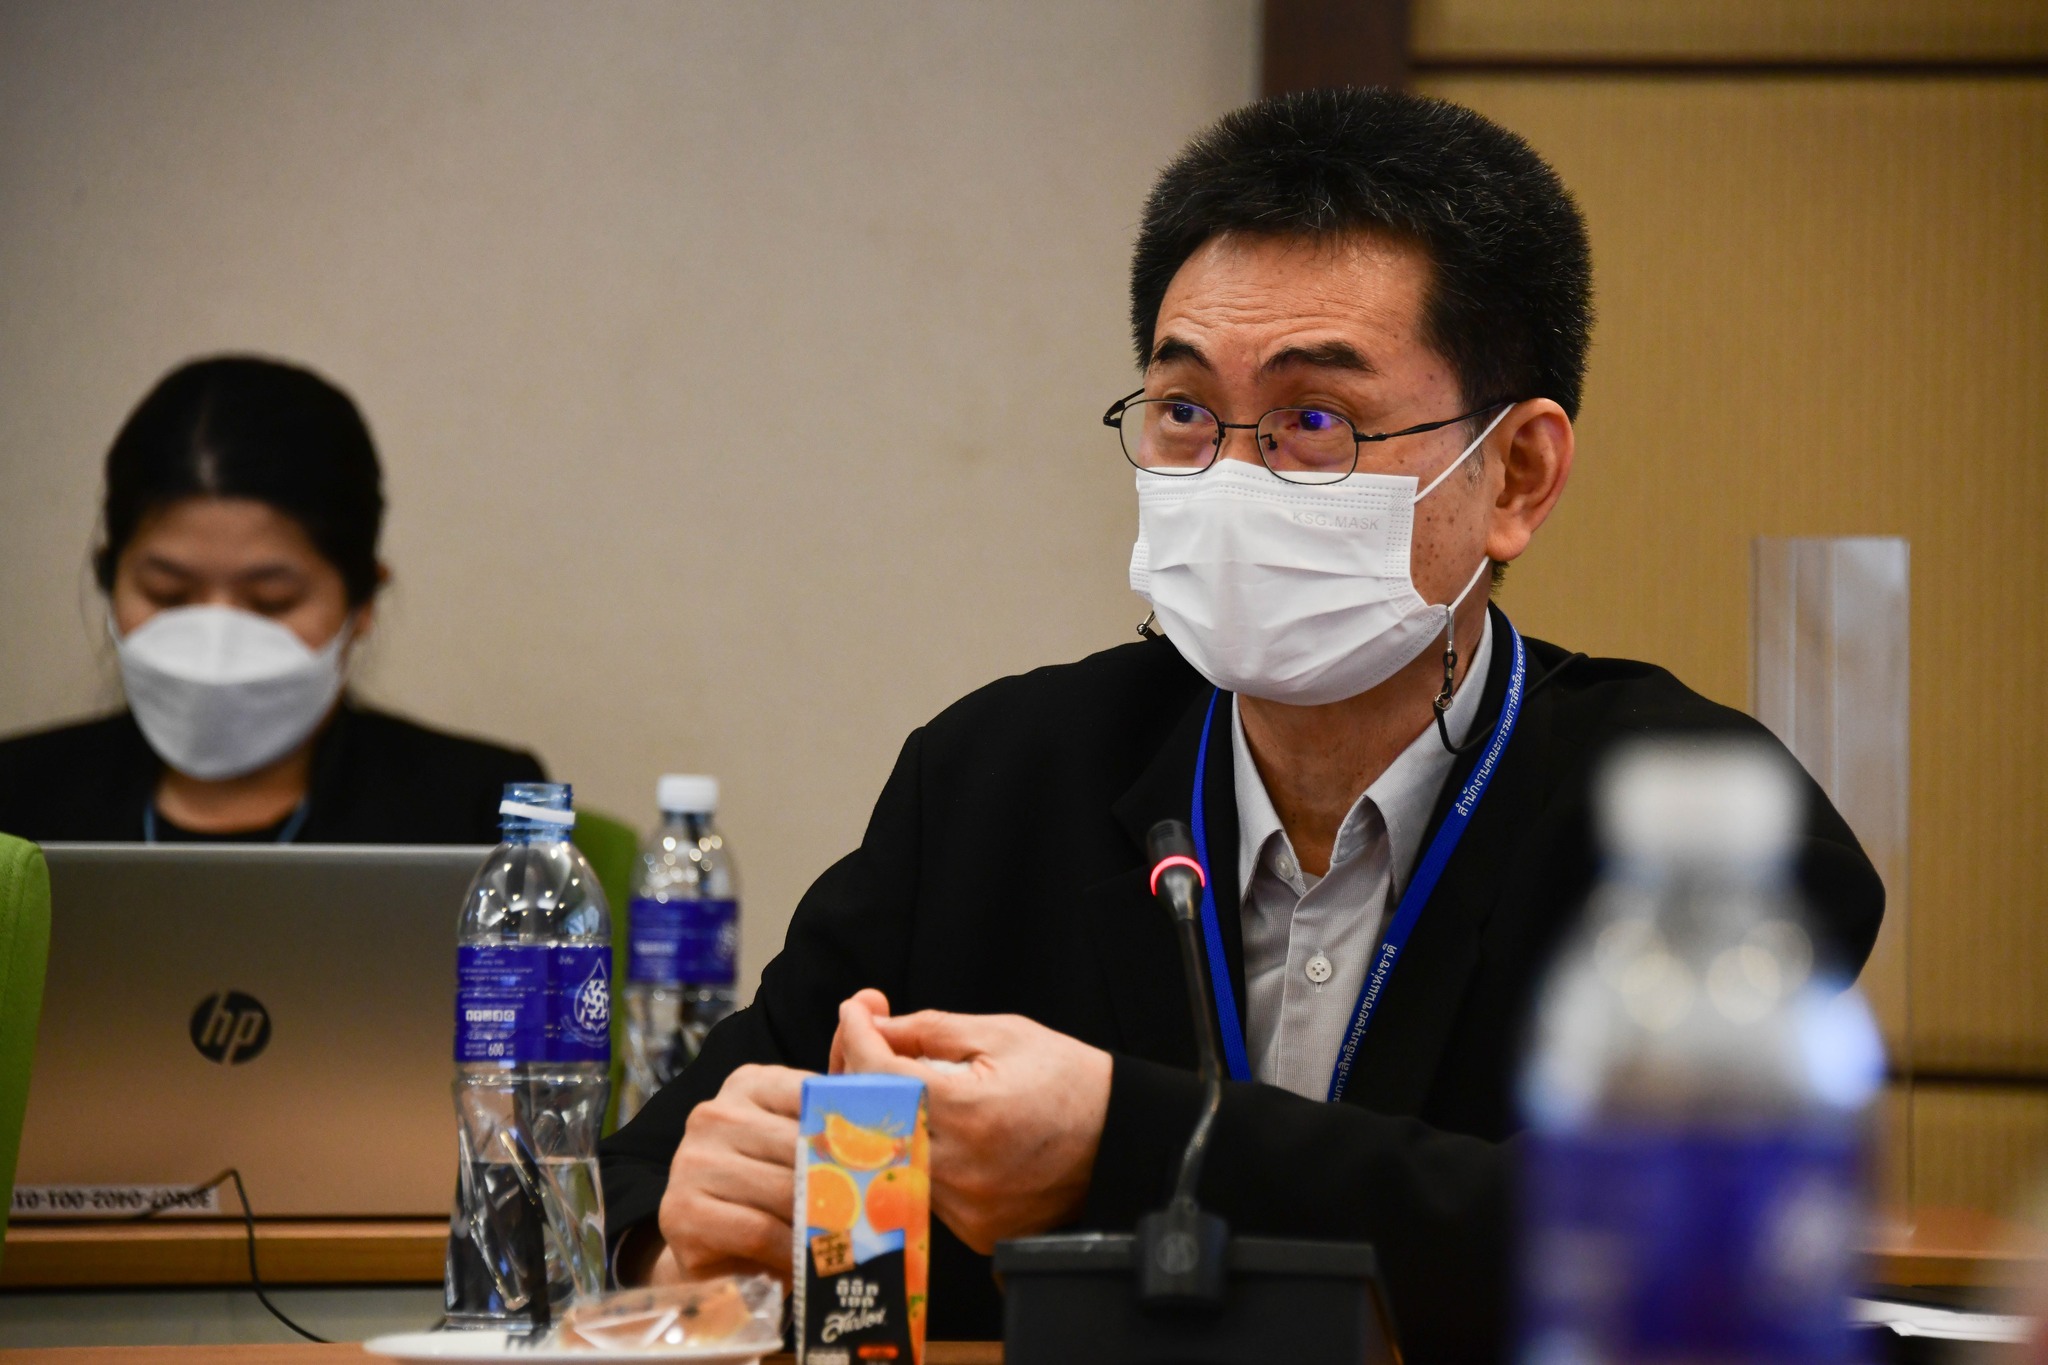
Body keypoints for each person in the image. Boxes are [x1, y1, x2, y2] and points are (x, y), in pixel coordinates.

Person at [599, 88, 1885, 1360]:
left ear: (1516, 474)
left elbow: (1667, 1250)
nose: (1227, 478)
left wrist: (1124, 1147)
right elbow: (647, 1181)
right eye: (1183, 414)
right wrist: (685, 1240)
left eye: (1313, 421)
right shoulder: (996, 778)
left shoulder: (1691, 822)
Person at [0, 355, 545, 844]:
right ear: (110, 579)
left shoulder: (492, 802)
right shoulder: (16, 795)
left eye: (271, 601)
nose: (215, 644)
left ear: (363, 602)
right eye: (169, 595)